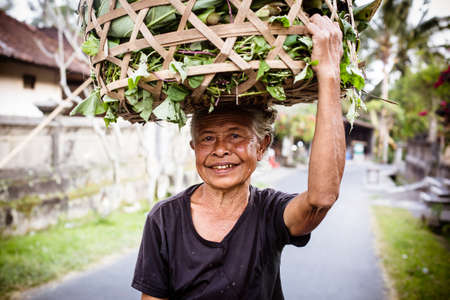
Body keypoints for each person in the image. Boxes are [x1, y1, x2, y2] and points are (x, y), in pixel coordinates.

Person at [132, 14, 345, 300]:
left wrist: (329, 75)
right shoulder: (164, 219)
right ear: (194, 146)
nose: (220, 149)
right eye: (208, 138)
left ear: (262, 146)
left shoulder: (270, 213)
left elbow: (321, 198)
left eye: (235, 135)